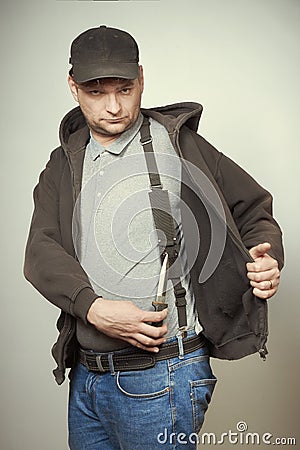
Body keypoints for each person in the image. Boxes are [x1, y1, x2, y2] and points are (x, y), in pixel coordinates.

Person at [24, 25, 284, 450]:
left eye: (125, 89)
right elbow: (40, 249)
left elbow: (254, 209)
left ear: (142, 79)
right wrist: (92, 309)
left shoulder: (181, 145)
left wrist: (267, 257)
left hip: (164, 376)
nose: (113, 107)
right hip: (86, 378)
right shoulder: (64, 162)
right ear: (73, 88)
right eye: (95, 92)